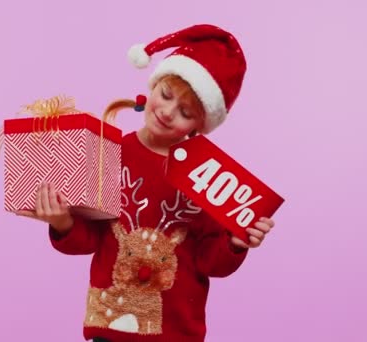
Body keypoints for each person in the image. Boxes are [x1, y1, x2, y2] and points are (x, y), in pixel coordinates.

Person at [17, 24, 276, 342]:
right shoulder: (109, 153)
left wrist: (235, 242)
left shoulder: (206, 174)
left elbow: (211, 262)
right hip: (110, 325)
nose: (167, 112)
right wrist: (62, 221)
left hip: (176, 332)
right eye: (165, 94)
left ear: (200, 124)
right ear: (152, 88)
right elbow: (90, 240)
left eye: (185, 112)